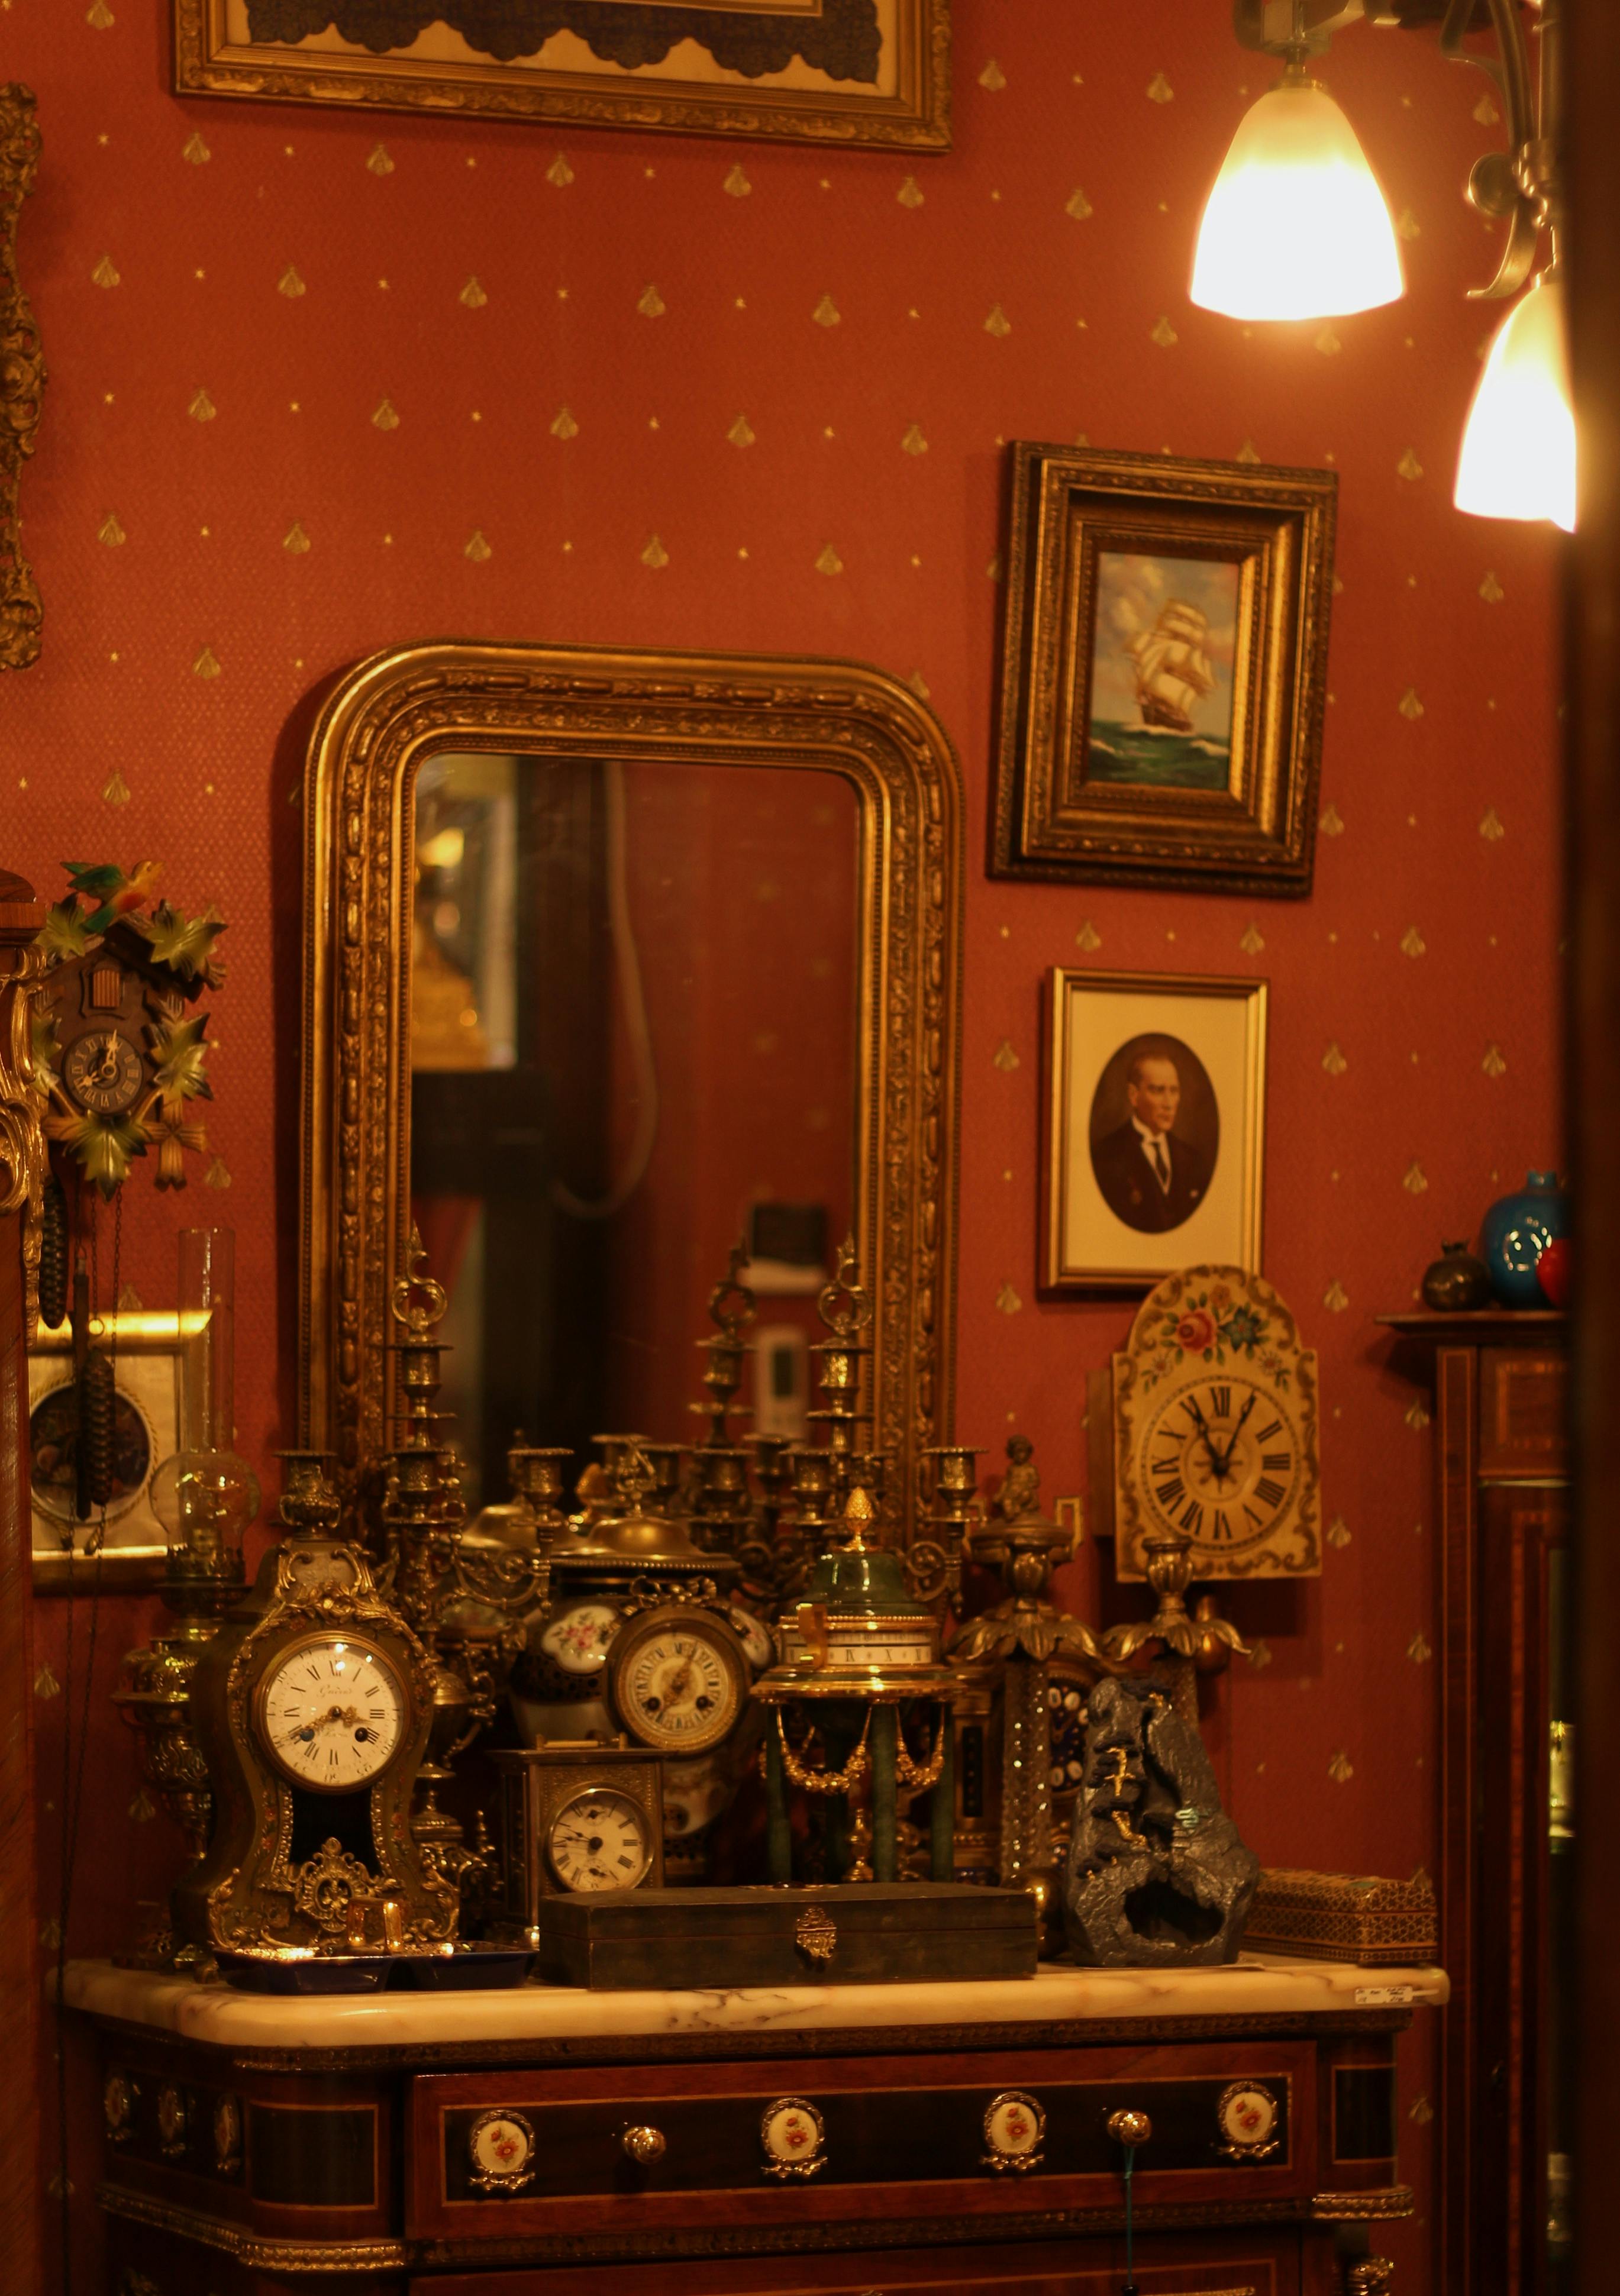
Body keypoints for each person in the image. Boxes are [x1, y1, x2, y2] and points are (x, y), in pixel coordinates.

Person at [1091, 1048, 1212, 1233]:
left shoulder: (1193, 1160)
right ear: (1134, 1095)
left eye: (1174, 1091)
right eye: (1158, 1091)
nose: (1169, 1103)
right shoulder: (1106, 1157)